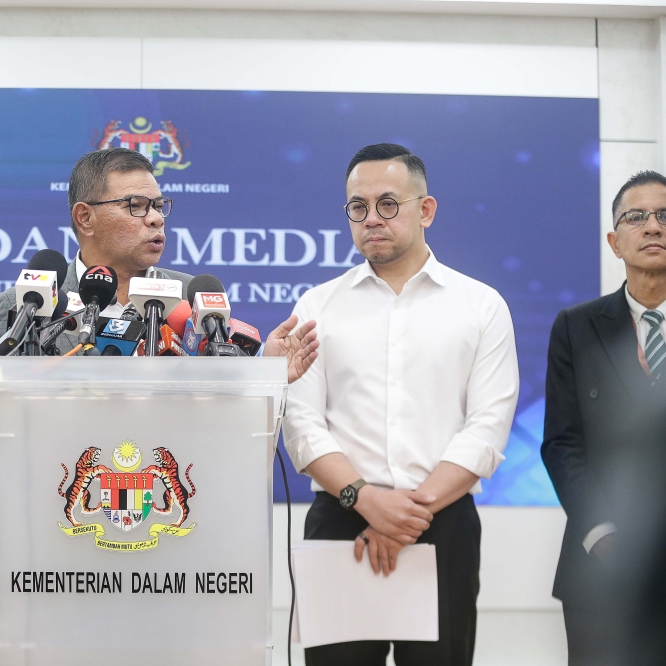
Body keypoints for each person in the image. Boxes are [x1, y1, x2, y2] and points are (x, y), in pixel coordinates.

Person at [282, 143, 519, 666]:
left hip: (442, 525)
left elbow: (487, 428)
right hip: (342, 521)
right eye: (358, 207)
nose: (372, 218)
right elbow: (301, 424)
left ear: (425, 209)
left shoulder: (480, 305)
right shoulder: (317, 305)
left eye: (388, 203)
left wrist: (406, 515)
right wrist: (367, 501)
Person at [0, 147, 319, 381]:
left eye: (158, 206)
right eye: (136, 206)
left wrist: (267, 372)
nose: (157, 219)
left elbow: (226, 407)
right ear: (85, 218)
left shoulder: (192, 297)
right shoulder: (27, 306)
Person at [542, 170, 666, 666]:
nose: (652, 227)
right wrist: (602, 533)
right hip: (602, 568)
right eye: (636, 218)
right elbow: (561, 443)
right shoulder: (576, 326)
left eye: (664, 216)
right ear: (615, 242)